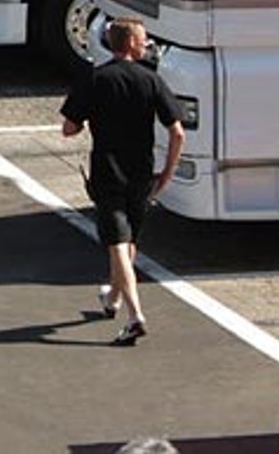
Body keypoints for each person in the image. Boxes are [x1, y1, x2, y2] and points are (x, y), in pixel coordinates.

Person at [60, 17, 186, 347]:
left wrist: (93, 121)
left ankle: (135, 315)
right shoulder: (151, 80)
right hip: (141, 173)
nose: (146, 44)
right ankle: (113, 298)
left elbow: (68, 128)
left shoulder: (95, 79)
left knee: (117, 242)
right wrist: (168, 174)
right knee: (128, 241)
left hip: (107, 171)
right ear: (130, 43)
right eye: (143, 39)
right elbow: (177, 132)